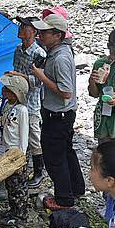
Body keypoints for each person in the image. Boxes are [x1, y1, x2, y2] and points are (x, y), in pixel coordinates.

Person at [30, 14, 85, 210]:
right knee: (67, 152)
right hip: (63, 114)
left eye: (44, 32)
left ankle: (63, 199)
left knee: (54, 157)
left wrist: (40, 75)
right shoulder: (58, 51)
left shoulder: (60, 57)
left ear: (57, 35)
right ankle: (76, 188)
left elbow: (66, 92)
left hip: (58, 115)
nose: (40, 35)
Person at [6, 17, 47, 187]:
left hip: (31, 102)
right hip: (17, 99)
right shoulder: (18, 50)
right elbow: (16, 71)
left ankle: (38, 172)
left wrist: (18, 77)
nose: (20, 28)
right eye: (20, 25)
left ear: (34, 31)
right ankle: (19, 167)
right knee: (16, 133)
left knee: (33, 136)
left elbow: (39, 81)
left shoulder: (39, 54)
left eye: (24, 26)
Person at [0, 74, 30, 226]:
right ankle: (13, 210)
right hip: (7, 150)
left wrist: (21, 158)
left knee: (19, 186)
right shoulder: (7, 106)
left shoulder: (22, 110)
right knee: (10, 184)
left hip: (17, 153)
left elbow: (24, 136)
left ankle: (21, 214)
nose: (4, 91)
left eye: (7, 89)